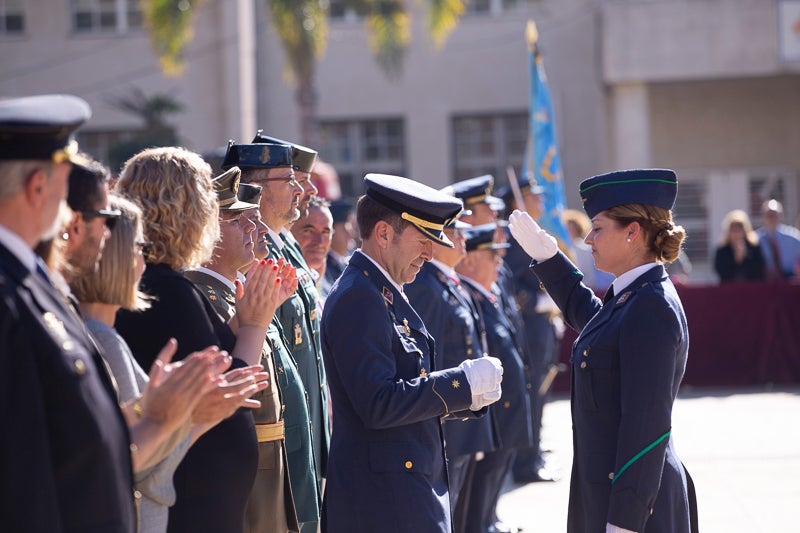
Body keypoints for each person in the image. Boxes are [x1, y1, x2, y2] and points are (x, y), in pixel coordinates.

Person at [508, 168, 698, 533]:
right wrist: (548, 258)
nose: (588, 240)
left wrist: (624, 522)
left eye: (598, 228)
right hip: (611, 493)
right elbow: (598, 324)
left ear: (632, 231)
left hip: (636, 508)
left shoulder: (651, 306)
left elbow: (647, 429)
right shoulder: (634, 293)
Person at [70, 194, 268, 532]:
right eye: (139, 250)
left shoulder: (102, 334)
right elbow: (138, 465)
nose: (144, 264)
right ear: (116, 257)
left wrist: (193, 416)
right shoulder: (103, 340)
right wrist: (178, 417)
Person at [320, 173, 504, 532]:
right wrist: (460, 384)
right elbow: (378, 403)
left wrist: (468, 397)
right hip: (383, 500)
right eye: (422, 240)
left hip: (402, 489)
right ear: (384, 234)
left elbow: (404, 390)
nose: (430, 253)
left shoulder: (381, 289)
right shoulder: (361, 296)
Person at [115, 146, 278, 532]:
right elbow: (228, 390)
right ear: (191, 211)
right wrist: (254, 324)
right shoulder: (168, 291)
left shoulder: (162, 284)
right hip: (189, 503)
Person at [0, 93, 137, 531]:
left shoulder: (29, 279)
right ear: (37, 186)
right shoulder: (7, 295)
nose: (67, 207)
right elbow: (23, 479)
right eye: (63, 185)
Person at [185, 167, 300, 533]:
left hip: (266, 467)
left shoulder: (231, 294)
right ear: (207, 231)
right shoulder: (202, 297)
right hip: (241, 479)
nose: (254, 228)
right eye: (237, 220)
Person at [223, 140, 330, 532]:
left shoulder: (284, 245)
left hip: (304, 431)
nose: (304, 190)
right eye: (290, 179)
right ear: (257, 187)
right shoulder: (254, 253)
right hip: (277, 438)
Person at [405, 216, 500, 533]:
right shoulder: (428, 287)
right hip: (448, 416)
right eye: (455, 232)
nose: (463, 238)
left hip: (462, 409)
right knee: (448, 510)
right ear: (434, 239)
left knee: (459, 505)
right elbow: (431, 361)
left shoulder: (444, 282)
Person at [455, 223, 533, 533]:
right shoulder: (468, 297)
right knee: (474, 498)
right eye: (492, 255)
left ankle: (488, 523)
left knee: (490, 488)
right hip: (489, 416)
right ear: (471, 260)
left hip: (505, 412)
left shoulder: (486, 295)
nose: (500, 262)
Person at [497, 175, 562, 486]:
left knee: (542, 389)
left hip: (544, 325)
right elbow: (509, 281)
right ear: (516, 201)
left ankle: (534, 453)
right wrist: (537, 301)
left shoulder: (535, 234)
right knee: (531, 392)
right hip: (529, 325)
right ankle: (526, 462)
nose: (539, 199)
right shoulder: (513, 239)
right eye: (531, 195)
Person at [290, 195, 335, 300]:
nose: (319, 242)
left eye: (325, 232)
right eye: (309, 231)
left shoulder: (323, 280)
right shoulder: (282, 284)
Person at [563, 208, 614, 292]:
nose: (567, 232)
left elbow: (590, 277)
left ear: (577, 229)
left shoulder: (584, 249)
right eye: (566, 229)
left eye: (570, 229)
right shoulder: (564, 247)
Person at [713, 209, 765, 282]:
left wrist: (744, 258)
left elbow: (759, 270)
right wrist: (736, 260)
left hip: (750, 289)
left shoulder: (754, 248)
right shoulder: (722, 250)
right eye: (733, 231)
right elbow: (721, 272)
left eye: (739, 230)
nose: (736, 234)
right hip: (729, 290)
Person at [757, 199, 800, 280]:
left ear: (781, 216)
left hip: (790, 282)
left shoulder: (793, 237)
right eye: (769, 215)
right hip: (765, 283)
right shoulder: (756, 239)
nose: (772, 218)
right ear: (763, 217)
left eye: (774, 214)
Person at [325, 196, 357, 288]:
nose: (350, 235)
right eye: (344, 229)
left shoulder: (346, 261)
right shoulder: (325, 265)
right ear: (331, 231)